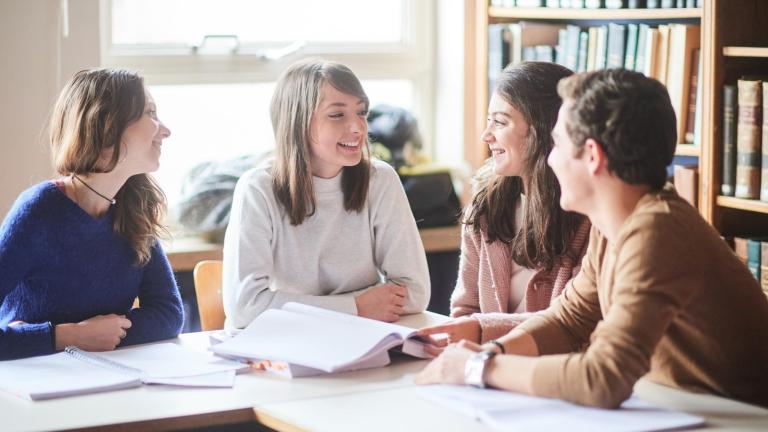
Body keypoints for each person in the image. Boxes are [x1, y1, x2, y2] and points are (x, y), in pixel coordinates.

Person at [415, 68, 768, 409]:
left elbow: (604, 378)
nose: (549, 160)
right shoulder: (612, 224)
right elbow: (568, 321)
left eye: (556, 144)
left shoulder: (657, 231)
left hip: (742, 417)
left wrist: (480, 370)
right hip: (685, 407)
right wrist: (491, 353)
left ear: (593, 157)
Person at [222, 59, 430, 329]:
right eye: (337, 115)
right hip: (284, 344)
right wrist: (358, 307)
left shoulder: (380, 180)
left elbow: (414, 293)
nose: (357, 127)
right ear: (298, 122)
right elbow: (245, 308)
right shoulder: (257, 189)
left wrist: (294, 306)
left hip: (360, 340)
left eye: (362, 113)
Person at [0, 68, 184, 360]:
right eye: (150, 114)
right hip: (35, 387)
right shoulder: (37, 211)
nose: (165, 130)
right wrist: (68, 336)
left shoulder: (134, 206)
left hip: (102, 378)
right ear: (108, 127)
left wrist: (99, 337)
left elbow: (169, 314)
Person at [417, 62, 589, 347]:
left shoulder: (589, 217)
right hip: (490, 372)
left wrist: (482, 333)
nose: (486, 135)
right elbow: (466, 312)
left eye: (499, 122)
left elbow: (574, 326)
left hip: (553, 373)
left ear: (543, 131)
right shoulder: (485, 207)